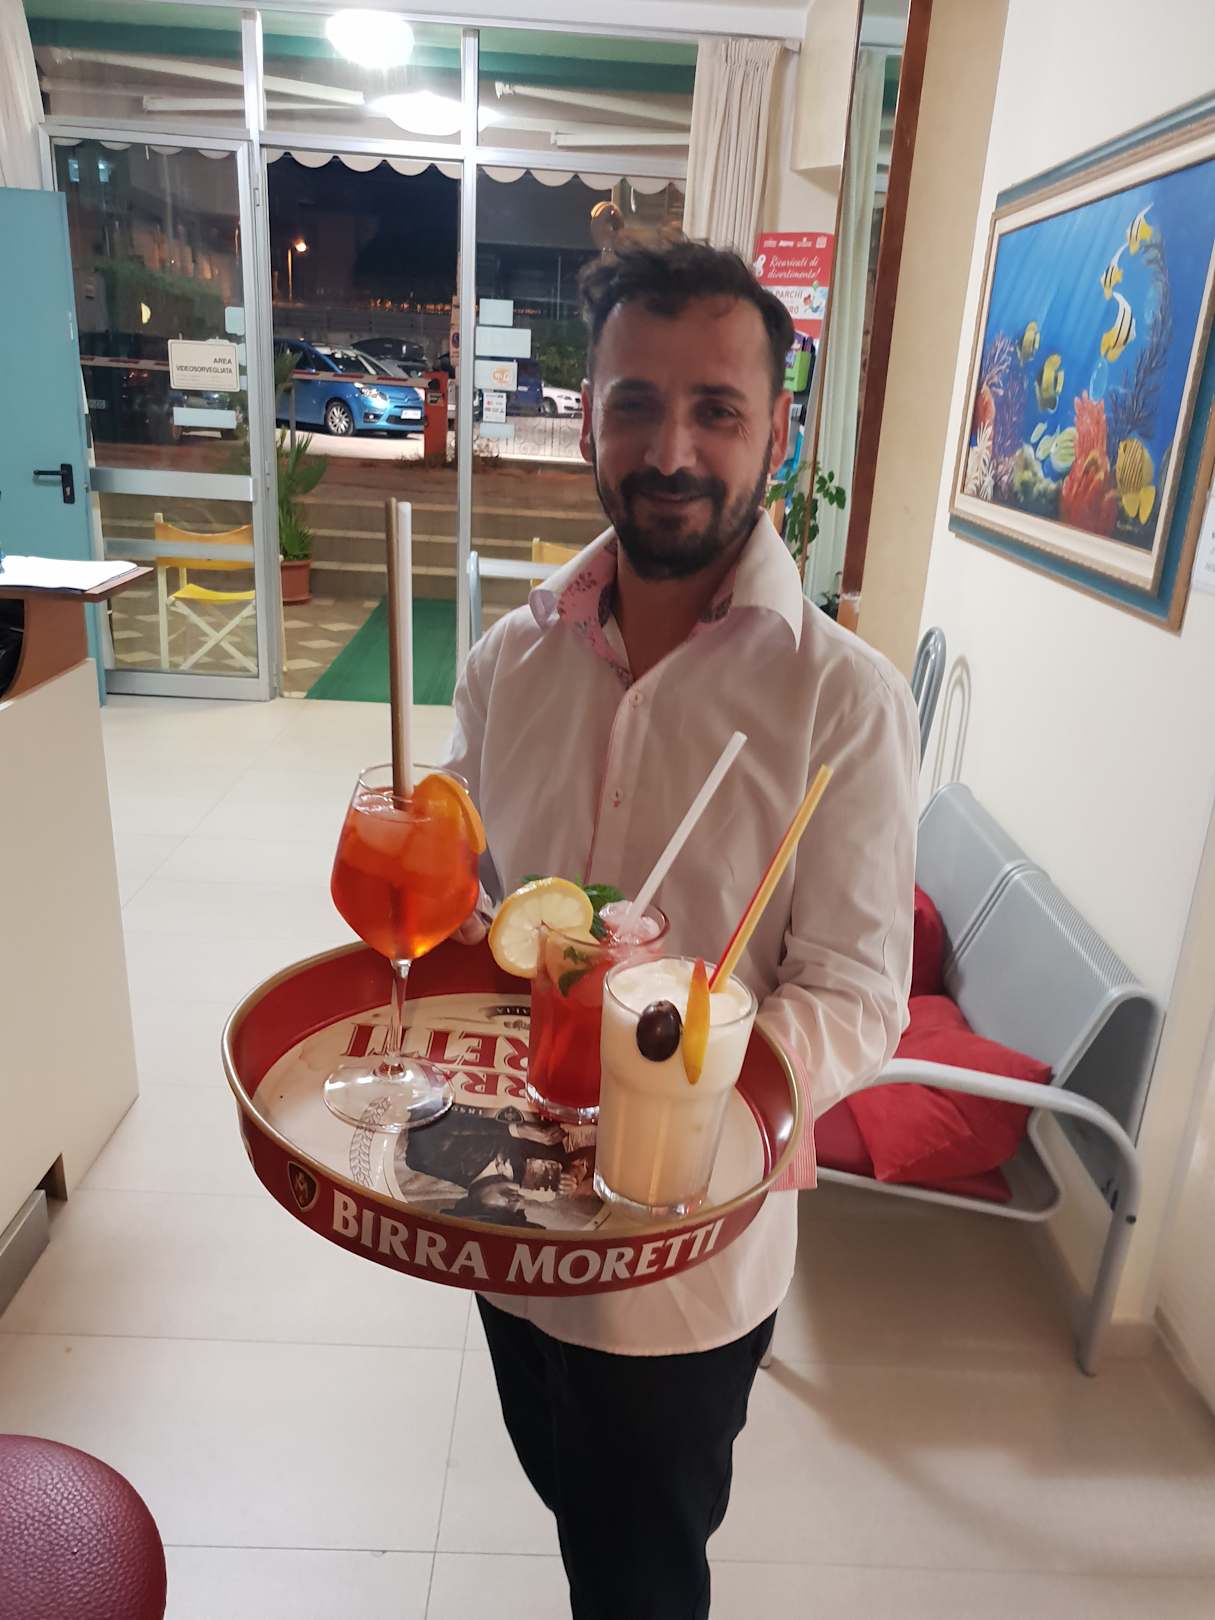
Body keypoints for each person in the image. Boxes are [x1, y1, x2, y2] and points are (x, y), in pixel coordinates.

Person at [444, 234, 918, 1620]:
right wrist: (440, 911)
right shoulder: (509, 659)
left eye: (716, 409)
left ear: (777, 431)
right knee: (564, 1494)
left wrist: (686, 1052)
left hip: (682, 1269)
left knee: (642, 1576)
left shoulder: (844, 702)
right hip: (506, 1221)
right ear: (589, 415)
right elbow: (482, 900)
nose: (671, 450)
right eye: (636, 403)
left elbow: (858, 993)